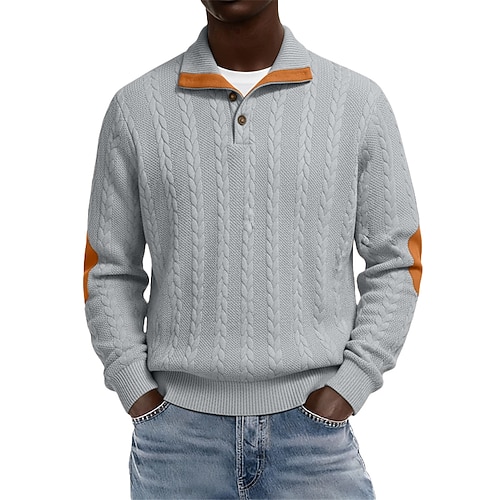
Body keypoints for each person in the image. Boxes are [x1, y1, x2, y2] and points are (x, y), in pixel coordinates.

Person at [83, 1, 422, 498]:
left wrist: (350, 385)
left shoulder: (357, 103)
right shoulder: (136, 109)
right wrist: (136, 387)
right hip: (177, 443)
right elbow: (109, 268)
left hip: (314, 440)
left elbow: (396, 261)